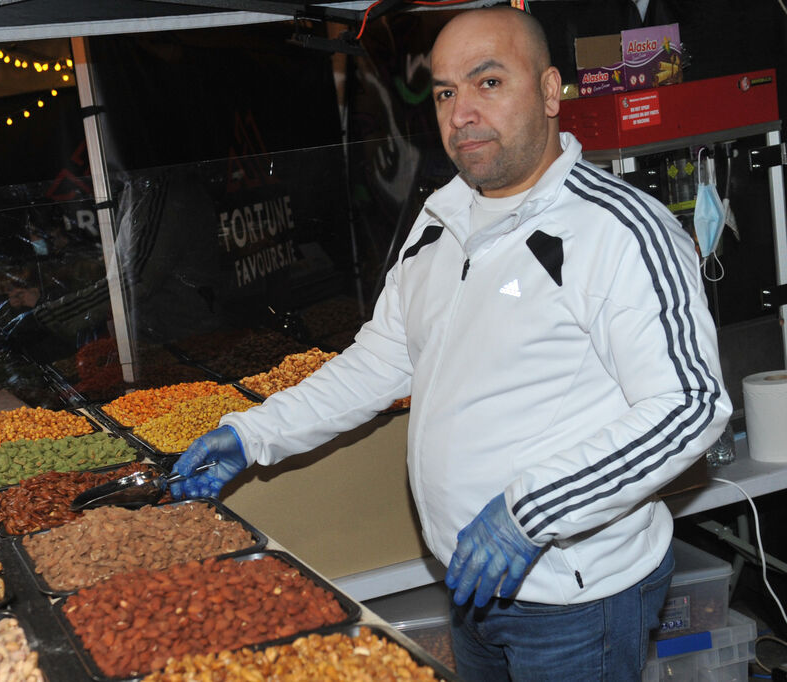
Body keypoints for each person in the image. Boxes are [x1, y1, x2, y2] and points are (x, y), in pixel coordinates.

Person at [169, 6, 731, 680]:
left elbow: (691, 407)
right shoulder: (442, 214)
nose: (461, 112)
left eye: (488, 83)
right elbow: (381, 360)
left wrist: (528, 515)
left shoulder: (618, 231)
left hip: (576, 603)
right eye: (444, 92)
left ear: (551, 93)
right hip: (471, 585)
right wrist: (254, 433)